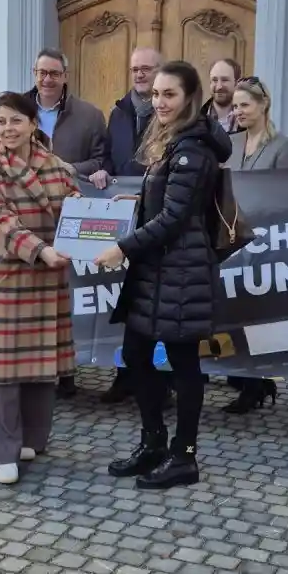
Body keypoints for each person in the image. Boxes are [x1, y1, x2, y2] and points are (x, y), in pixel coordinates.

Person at [95, 61, 231, 490]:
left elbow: (175, 218)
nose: (159, 102)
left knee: (184, 364)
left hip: (182, 271)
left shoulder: (194, 149)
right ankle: (153, 441)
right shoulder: (173, 141)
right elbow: (167, 202)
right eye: (155, 94)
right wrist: (138, 203)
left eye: (169, 94)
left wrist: (122, 247)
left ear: (189, 98)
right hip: (156, 268)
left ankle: (184, 456)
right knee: (135, 355)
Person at [0, 91, 79, 485]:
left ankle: (30, 437)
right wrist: (42, 251)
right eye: (1, 121)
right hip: (1, 276)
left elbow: (75, 211)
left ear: (34, 124)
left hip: (45, 275)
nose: (8, 128)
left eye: (16, 120)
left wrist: (100, 223)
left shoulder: (59, 168)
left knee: (38, 363)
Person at [28, 48, 107, 398]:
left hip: (69, 216)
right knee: (31, 299)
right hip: (29, 216)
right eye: (42, 72)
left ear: (65, 76)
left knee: (66, 298)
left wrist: (71, 169)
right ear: (34, 74)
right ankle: (31, 368)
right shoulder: (17, 110)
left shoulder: (90, 115)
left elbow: (102, 160)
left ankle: (65, 372)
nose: (47, 79)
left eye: (54, 73)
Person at [222, 75, 288, 414]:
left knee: (258, 316)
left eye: (245, 105)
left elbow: (285, 197)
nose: (238, 111)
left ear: (263, 105)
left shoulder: (283, 146)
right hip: (233, 239)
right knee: (236, 314)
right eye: (235, 106)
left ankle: (257, 384)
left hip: (266, 241)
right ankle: (248, 381)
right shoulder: (231, 143)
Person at [95, 47, 163, 404]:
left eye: (147, 68)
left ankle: (161, 383)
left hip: (156, 215)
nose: (140, 74)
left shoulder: (168, 113)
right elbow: (109, 155)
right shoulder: (118, 112)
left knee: (153, 299)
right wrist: (102, 170)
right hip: (121, 214)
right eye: (135, 68)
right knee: (122, 297)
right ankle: (124, 376)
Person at [201, 58, 241, 134]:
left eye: (225, 80)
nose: (219, 86)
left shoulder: (248, 121)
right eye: (214, 80)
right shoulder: (195, 122)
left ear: (236, 83)